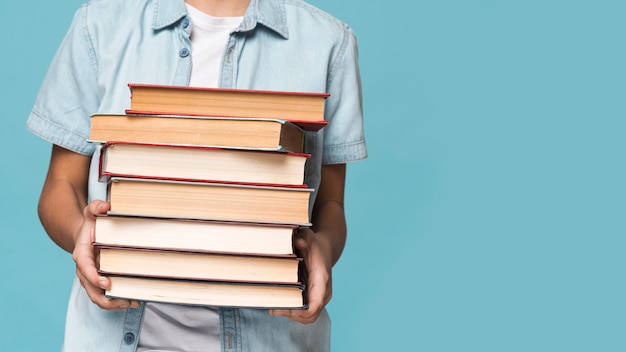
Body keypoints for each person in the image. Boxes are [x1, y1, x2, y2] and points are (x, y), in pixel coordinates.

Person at [27, 0, 367, 350]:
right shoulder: (99, 26)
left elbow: (329, 203)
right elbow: (60, 184)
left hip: (269, 337)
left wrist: (322, 249)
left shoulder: (328, 41)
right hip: (118, 335)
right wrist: (80, 233)